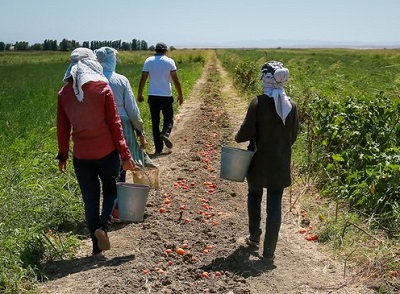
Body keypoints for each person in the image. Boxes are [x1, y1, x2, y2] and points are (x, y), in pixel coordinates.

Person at [56, 47, 135, 257]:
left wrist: (62, 155)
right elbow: (115, 124)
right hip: (107, 154)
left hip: (81, 157)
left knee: (90, 200)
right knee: (111, 191)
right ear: (92, 63)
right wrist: (126, 156)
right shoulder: (103, 89)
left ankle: (96, 250)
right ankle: (103, 227)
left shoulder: (64, 94)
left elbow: (62, 129)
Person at [235, 61, 300, 262]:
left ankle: (254, 237)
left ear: (266, 78)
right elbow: (294, 135)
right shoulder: (291, 106)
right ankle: (269, 252)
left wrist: (238, 135)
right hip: (280, 163)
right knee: (275, 203)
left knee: (254, 195)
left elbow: (244, 134)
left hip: (257, 162)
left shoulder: (258, 103)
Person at [95, 46, 155, 181]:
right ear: (112, 60)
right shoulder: (121, 80)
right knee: (123, 159)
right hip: (121, 122)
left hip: (98, 125)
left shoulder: (91, 81)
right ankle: (120, 191)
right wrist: (140, 131)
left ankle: (109, 192)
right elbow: (132, 110)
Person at [137, 42, 183, 155]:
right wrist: (180, 94)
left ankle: (158, 148)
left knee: (155, 122)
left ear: (155, 50)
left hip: (153, 96)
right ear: (165, 50)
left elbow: (143, 78)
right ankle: (165, 134)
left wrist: (140, 93)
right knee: (168, 117)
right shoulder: (169, 61)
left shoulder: (148, 61)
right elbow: (176, 80)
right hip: (166, 96)